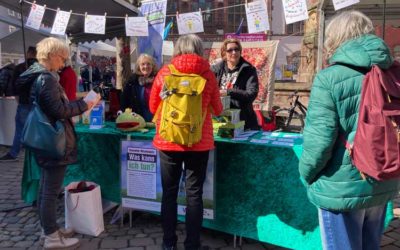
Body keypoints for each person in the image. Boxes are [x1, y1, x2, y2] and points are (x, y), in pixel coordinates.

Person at [298, 10, 400, 250]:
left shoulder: (329, 77)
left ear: (335, 38)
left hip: (340, 186)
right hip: (383, 178)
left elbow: (319, 142)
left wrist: (306, 175)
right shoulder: (393, 72)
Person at [149, 34, 223, 250]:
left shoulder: (165, 72)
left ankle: (168, 243)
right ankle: (192, 245)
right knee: (194, 195)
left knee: (169, 193)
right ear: (199, 49)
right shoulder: (208, 74)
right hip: (199, 141)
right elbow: (218, 110)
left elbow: (153, 107)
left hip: (168, 140)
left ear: (177, 49)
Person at [28, 37, 98, 249]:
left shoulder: (42, 76)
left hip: (46, 139)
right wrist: (84, 105)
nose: (64, 62)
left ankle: (49, 230)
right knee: (50, 191)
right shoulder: (46, 79)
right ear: (51, 56)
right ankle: (51, 237)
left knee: (45, 189)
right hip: (53, 142)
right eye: (62, 57)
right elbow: (58, 111)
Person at [211, 38, 259, 130]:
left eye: (236, 49)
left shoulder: (249, 70)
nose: (234, 52)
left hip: (243, 121)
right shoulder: (216, 69)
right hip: (220, 120)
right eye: (230, 50)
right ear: (224, 52)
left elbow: (251, 94)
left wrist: (228, 92)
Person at [0, 47, 37, 161]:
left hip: (24, 102)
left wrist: (19, 101)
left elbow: (14, 88)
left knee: (20, 129)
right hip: (38, 103)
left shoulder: (19, 68)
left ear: (28, 53)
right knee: (38, 128)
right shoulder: (42, 68)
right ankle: (36, 154)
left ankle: (14, 153)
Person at [121, 54, 158, 122]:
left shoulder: (158, 80)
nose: (146, 66)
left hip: (156, 121)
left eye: (148, 64)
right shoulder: (132, 82)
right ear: (139, 67)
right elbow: (124, 101)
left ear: (152, 66)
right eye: (143, 64)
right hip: (136, 121)